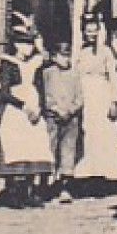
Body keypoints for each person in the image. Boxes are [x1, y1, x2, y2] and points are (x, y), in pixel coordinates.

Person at [0, 20, 53, 208]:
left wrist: (40, 108)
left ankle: (28, 191)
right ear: (16, 45)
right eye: (24, 44)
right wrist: (23, 105)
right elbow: (4, 92)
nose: (28, 48)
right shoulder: (8, 64)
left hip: (33, 108)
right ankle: (13, 192)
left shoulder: (35, 64)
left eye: (30, 44)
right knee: (15, 145)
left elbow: (40, 87)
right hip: (16, 110)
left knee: (33, 147)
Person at [75, 12, 117, 188]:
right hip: (84, 94)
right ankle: (86, 175)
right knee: (87, 134)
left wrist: (114, 101)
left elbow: (113, 76)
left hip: (101, 95)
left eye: (94, 31)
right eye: (88, 31)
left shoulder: (106, 52)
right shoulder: (79, 51)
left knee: (104, 134)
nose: (91, 34)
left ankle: (106, 176)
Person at [42, 41, 83, 203]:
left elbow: (80, 97)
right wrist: (54, 108)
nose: (66, 59)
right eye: (62, 56)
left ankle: (65, 187)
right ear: (54, 56)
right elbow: (44, 94)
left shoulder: (75, 74)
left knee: (68, 150)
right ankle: (46, 185)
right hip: (53, 116)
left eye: (68, 56)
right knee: (50, 148)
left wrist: (71, 110)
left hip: (71, 118)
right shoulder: (48, 73)